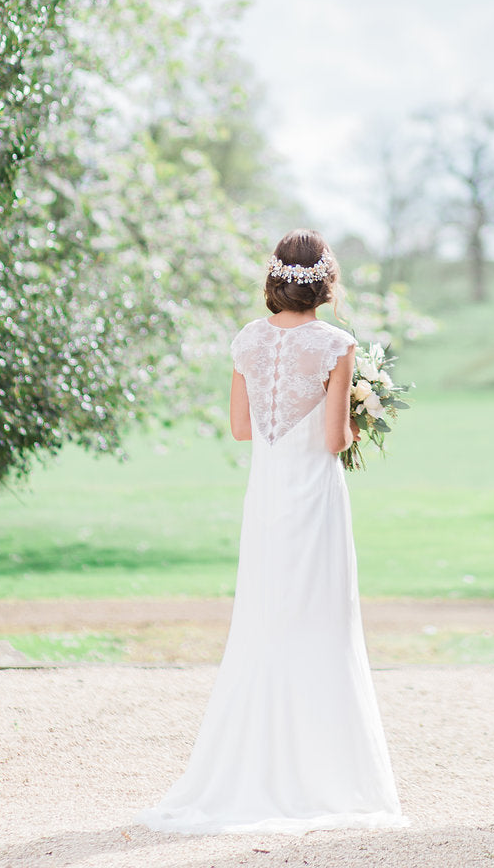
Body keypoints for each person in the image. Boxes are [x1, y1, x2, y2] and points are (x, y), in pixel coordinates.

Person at [137, 229, 406, 835]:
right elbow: (336, 439)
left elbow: (241, 428)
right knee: (322, 619)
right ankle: (326, 771)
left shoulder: (247, 341)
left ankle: (250, 763)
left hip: (267, 498)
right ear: (328, 282)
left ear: (274, 280)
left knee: (264, 617)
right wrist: (364, 413)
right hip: (315, 499)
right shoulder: (338, 345)